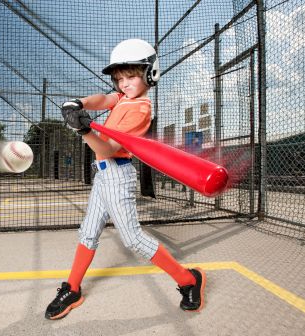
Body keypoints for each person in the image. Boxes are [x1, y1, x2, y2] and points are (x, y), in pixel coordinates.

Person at [45, 39, 206, 320]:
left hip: (118, 174)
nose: (124, 83)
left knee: (132, 239)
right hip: (103, 176)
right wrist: (79, 103)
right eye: (119, 78)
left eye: (131, 76)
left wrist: (84, 131)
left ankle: (188, 280)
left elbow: (105, 148)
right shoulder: (122, 98)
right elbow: (104, 99)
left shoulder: (140, 109)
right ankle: (72, 288)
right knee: (88, 232)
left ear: (149, 74)